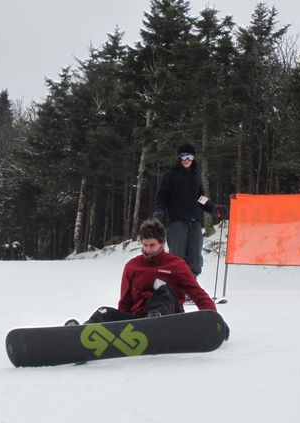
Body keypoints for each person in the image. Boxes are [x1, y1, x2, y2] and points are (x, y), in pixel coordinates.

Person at [68, 219, 227, 340]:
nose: (147, 249)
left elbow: (197, 293)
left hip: (169, 317)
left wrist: (214, 319)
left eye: (152, 245)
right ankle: (80, 334)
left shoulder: (176, 264)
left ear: (162, 244)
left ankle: (154, 321)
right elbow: (125, 302)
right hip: (139, 320)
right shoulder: (132, 266)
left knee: (162, 289)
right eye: (144, 245)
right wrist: (118, 322)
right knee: (104, 312)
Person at [153, 143, 228, 278]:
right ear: (179, 157)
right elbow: (162, 196)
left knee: (195, 257)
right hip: (177, 221)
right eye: (184, 156)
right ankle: (174, 285)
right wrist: (159, 212)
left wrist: (214, 208)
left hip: (195, 221)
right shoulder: (170, 175)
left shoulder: (196, 175)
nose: (187, 160)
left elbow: (201, 198)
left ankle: (191, 285)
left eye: (190, 157)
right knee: (177, 256)